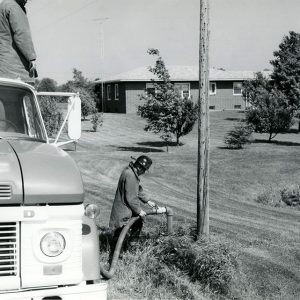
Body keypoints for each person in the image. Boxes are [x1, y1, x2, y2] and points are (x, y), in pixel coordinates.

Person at [109, 155, 157, 251]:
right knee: (120, 233)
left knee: (137, 223)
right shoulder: (130, 175)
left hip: (126, 209)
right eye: (144, 170)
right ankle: (116, 256)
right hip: (123, 211)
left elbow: (137, 189)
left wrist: (148, 201)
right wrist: (139, 211)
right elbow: (131, 197)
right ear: (139, 167)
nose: (143, 173)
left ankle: (131, 248)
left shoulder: (131, 173)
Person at [0, 0, 38, 82]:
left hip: (3, 68)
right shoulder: (14, 7)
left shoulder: (3, 5)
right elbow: (21, 34)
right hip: (14, 70)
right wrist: (31, 58)